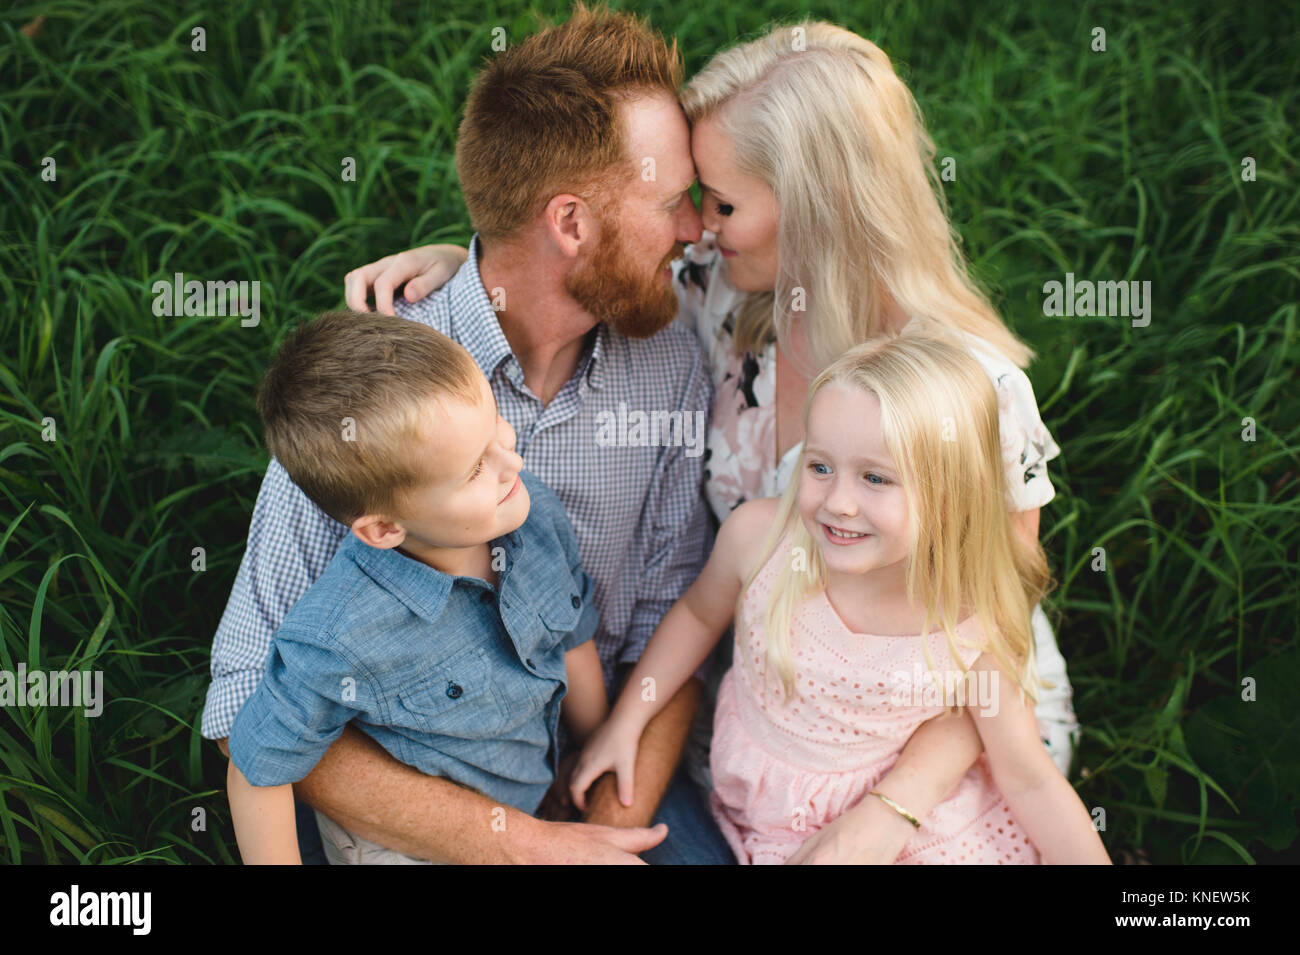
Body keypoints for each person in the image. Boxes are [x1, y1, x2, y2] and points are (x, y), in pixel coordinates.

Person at [351, 20, 1080, 862]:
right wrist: (465, 267)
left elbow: (997, 635)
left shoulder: (975, 394)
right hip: (764, 713)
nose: (696, 226)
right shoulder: (720, 295)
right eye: (692, 197)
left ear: (819, 208)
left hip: (930, 733)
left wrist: (885, 814)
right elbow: (577, 258)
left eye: (723, 202)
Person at [205, 3, 725, 865]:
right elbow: (242, 707)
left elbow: (679, 625)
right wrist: (516, 844)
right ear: (569, 223)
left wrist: (600, 830)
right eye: (672, 202)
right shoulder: (382, 389)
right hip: (416, 816)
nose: (695, 228)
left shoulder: (670, 356)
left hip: (605, 764)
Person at [570, 332, 1111, 865]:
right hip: (774, 822)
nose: (839, 502)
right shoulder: (760, 541)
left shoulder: (966, 616)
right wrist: (628, 720)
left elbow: (1028, 777)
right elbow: (696, 616)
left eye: (875, 478)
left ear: (949, 497)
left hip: (908, 834)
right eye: (820, 466)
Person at [226, 313, 609, 864]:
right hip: (406, 847)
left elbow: (573, 634)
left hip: (526, 800)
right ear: (384, 529)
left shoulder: (531, 513)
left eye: (495, 424)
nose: (512, 460)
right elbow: (256, 764)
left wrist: (592, 746)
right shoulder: (343, 632)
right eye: (476, 468)